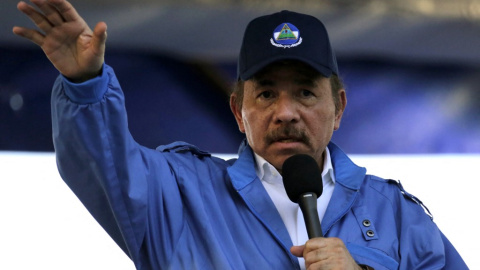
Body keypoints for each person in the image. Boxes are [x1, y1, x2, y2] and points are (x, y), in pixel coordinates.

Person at [14, 0, 468, 269]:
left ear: (339, 109)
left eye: (306, 93)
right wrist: (84, 84)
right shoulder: (179, 195)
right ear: (238, 110)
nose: (285, 112)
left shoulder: (398, 217)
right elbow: (103, 164)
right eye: (266, 93)